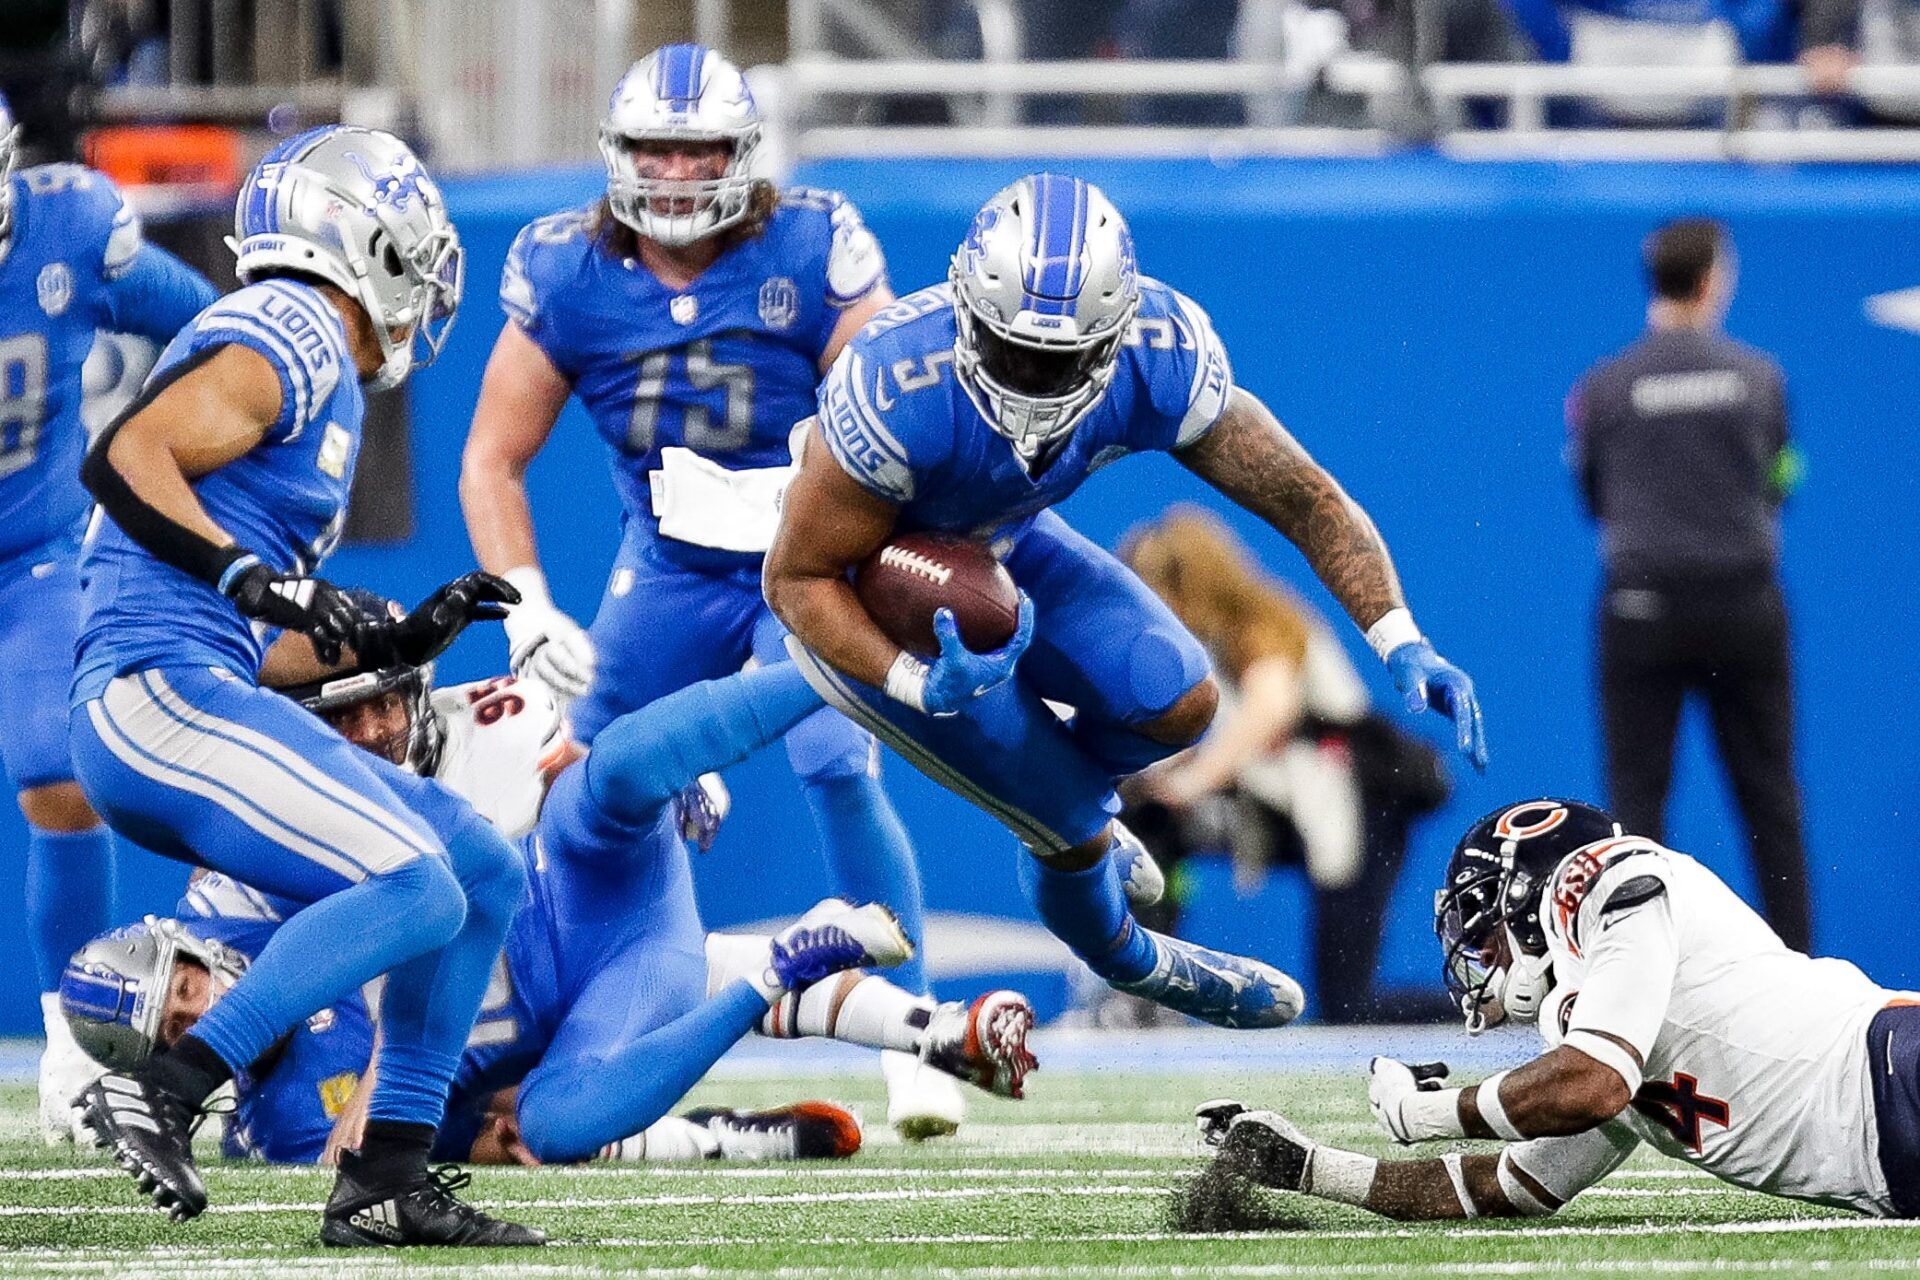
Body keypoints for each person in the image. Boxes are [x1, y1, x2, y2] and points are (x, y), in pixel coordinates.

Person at [763, 172, 1487, 1033]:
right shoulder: (895, 386)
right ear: (965, 308)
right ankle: (1137, 962)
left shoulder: (1161, 352)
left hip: (1008, 540)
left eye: (1060, 358)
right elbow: (795, 580)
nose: (1032, 379)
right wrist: (913, 682)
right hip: (874, 598)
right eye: (1010, 348)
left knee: (1180, 699)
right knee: (1063, 825)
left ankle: (1087, 810)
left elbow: (1305, 497)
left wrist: (1398, 635)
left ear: (1115, 331)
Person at [63, 124, 545, 1247]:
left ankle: (387, 1174)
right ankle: (171, 1085)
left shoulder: (314, 367)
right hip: (153, 688)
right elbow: (125, 455)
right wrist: (255, 580)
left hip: (193, 677)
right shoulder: (292, 326)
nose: (425, 282)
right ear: (362, 240)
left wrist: (395, 634)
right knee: (417, 882)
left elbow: (266, 641)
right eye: (413, 247)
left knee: (477, 866)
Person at [457, 44, 946, 1136]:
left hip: (808, 553)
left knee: (834, 760)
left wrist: (809, 499)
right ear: (617, 155)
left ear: (744, 156)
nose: (677, 173)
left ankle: (917, 1040)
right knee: (573, 782)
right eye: (656, 149)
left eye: (701, 149)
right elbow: (491, 455)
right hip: (672, 565)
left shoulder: (812, 242)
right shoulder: (567, 269)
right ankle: (573, 1040)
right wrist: (527, 599)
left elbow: (896, 406)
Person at [60, 638, 1034, 1167]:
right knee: (556, 1126)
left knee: (607, 783)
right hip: (593, 1000)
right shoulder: (251, 888)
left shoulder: (497, 719)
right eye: (337, 718)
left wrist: (687, 773)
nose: (369, 731)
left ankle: (839, 670)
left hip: (582, 877)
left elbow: (617, 752)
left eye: (377, 703)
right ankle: (877, 1024)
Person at [1190, 797, 1920, 1222]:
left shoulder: (1604, 883)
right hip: (1895, 1155)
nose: (1479, 956)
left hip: (1894, 1071)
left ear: (1529, 893)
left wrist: (1427, 1112)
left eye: (1483, 924)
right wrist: (1311, 1167)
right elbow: (1500, 1188)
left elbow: (1590, 1083)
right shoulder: (1602, 1025)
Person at [0, 89, 218, 1140]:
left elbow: (214, 325)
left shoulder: (68, 226)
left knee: (58, 774)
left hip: (30, 555)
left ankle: (68, 1046)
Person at [1568, 218, 1810, 953]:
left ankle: (1631, 985)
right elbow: (1781, 480)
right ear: (1713, 278)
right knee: (1770, 801)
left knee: (1638, 811)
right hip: (1744, 607)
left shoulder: (1604, 387)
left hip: (1640, 611)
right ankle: (1802, 975)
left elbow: (1593, 497)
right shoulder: (1760, 377)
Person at [1121, 507, 1452, 1024]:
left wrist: (1193, 781)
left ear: (1193, 583)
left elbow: (1268, 711)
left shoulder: (1262, 622)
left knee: (1349, 1006)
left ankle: (1484, 1014)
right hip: (1289, 808)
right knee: (1151, 828)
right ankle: (1142, 991)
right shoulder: (1212, 644)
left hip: (1360, 806)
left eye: (1160, 591)